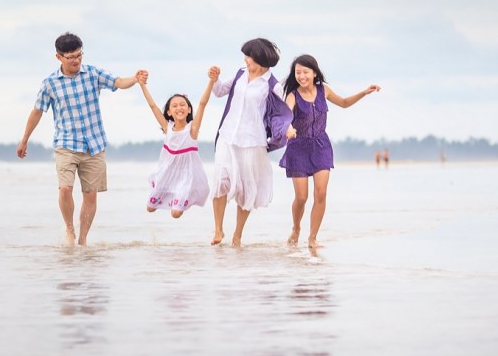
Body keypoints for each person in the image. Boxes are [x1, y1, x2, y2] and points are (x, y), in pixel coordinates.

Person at [17, 33, 146, 246]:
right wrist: (24, 140)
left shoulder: (93, 74)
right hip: (66, 144)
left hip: (94, 144)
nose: (76, 60)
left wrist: (135, 78)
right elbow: (38, 111)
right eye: (71, 57)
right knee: (66, 188)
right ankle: (69, 228)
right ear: (59, 57)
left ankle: (83, 240)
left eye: (79, 55)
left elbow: (118, 82)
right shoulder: (50, 83)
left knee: (90, 195)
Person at [279, 54, 381, 250]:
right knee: (301, 198)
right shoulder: (292, 95)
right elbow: (285, 116)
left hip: (321, 147)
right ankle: (296, 228)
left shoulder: (323, 90)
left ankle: (312, 238)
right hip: (298, 147)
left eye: (305, 72)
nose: (301, 76)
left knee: (321, 193)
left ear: (314, 72)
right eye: (298, 72)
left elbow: (343, 102)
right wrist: (288, 128)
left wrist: (364, 93)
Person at [209, 38, 293, 247]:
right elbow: (219, 91)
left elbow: (280, 115)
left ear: (261, 58)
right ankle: (218, 230)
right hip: (227, 136)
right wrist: (214, 79)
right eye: (245, 56)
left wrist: (286, 131)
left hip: (253, 142)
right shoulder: (239, 74)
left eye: (249, 56)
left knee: (246, 190)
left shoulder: (273, 86)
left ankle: (237, 236)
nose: (245, 60)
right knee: (220, 181)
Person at [138, 67, 220, 218]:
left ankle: (185, 198)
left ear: (189, 109)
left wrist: (211, 81)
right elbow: (153, 106)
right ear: (169, 112)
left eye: (182, 104)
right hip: (167, 173)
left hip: (187, 175)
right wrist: (142, 84)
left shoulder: (192, 129)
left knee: (175, 213)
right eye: (174, 106)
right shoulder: (167, 127)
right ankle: (172, 198)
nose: (179, 108)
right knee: (150, 208)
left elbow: (202, 104)